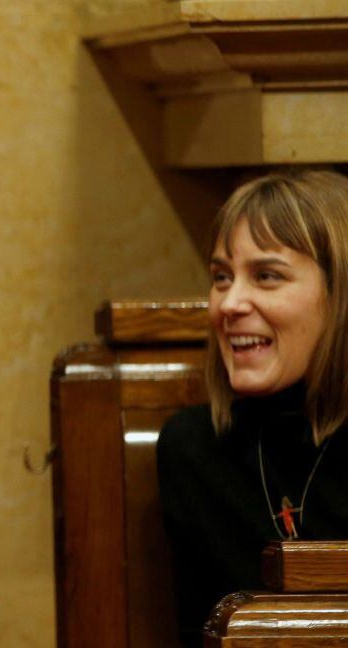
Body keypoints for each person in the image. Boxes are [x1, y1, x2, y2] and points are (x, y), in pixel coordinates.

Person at [158, 169, 348, 647]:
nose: (230, 303)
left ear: (340, 296)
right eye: (222, 278)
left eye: (266, 276)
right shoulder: (194, 450)